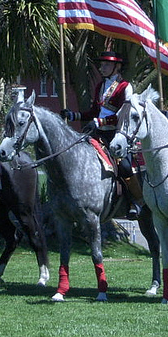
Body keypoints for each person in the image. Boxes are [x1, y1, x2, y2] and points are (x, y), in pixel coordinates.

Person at [60, 50, 141, 219]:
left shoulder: (125, 87)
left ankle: (134, 201)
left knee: (124, 166)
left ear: (117, 67)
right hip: (98, 133)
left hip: (117, 135)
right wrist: (74, 115)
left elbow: (122, 114)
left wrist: (100, 122)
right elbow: (94, 112)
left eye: (106, 65)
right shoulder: (100, 86)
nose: (102, 67)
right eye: (102, 64)